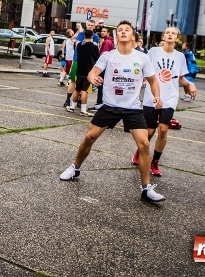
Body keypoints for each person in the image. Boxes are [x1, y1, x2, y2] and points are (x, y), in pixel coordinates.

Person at [59, 20, 166, 204]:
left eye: (127, 30)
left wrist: (157, 96)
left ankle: (146, 189)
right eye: (120, 30)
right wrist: (93, 78)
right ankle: (75, 167)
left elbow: (153, 81)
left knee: (144, 144)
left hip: (132, 107)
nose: (123, 32)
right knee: (89, 137)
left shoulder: (142, 58)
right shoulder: (108, 56)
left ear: (133, 36)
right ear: (116, 36)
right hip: (110, 105)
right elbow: (93, 72)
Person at [130, 26, 196, 176]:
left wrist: (190, 84)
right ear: (163, 36)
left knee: (164, 129)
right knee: (150, 132)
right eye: (168, 33)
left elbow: (181, 78)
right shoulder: (153, 52)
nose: (170, 35)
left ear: (177, 38)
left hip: (170, 97)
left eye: (173, 33)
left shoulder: (180, 56)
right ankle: (139, 152)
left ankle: (155, 162)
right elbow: (143, 70)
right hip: (152, 96)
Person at [65, 28, 100, 116]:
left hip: (79, 69)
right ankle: (83, 109)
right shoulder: (94, 46)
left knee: (77, 89)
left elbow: (74, 42)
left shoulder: (79, 45)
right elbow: (97, 57)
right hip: (88, 71)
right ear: (92, 36)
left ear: (84, 36)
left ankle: (72, 106)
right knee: (85, 90)